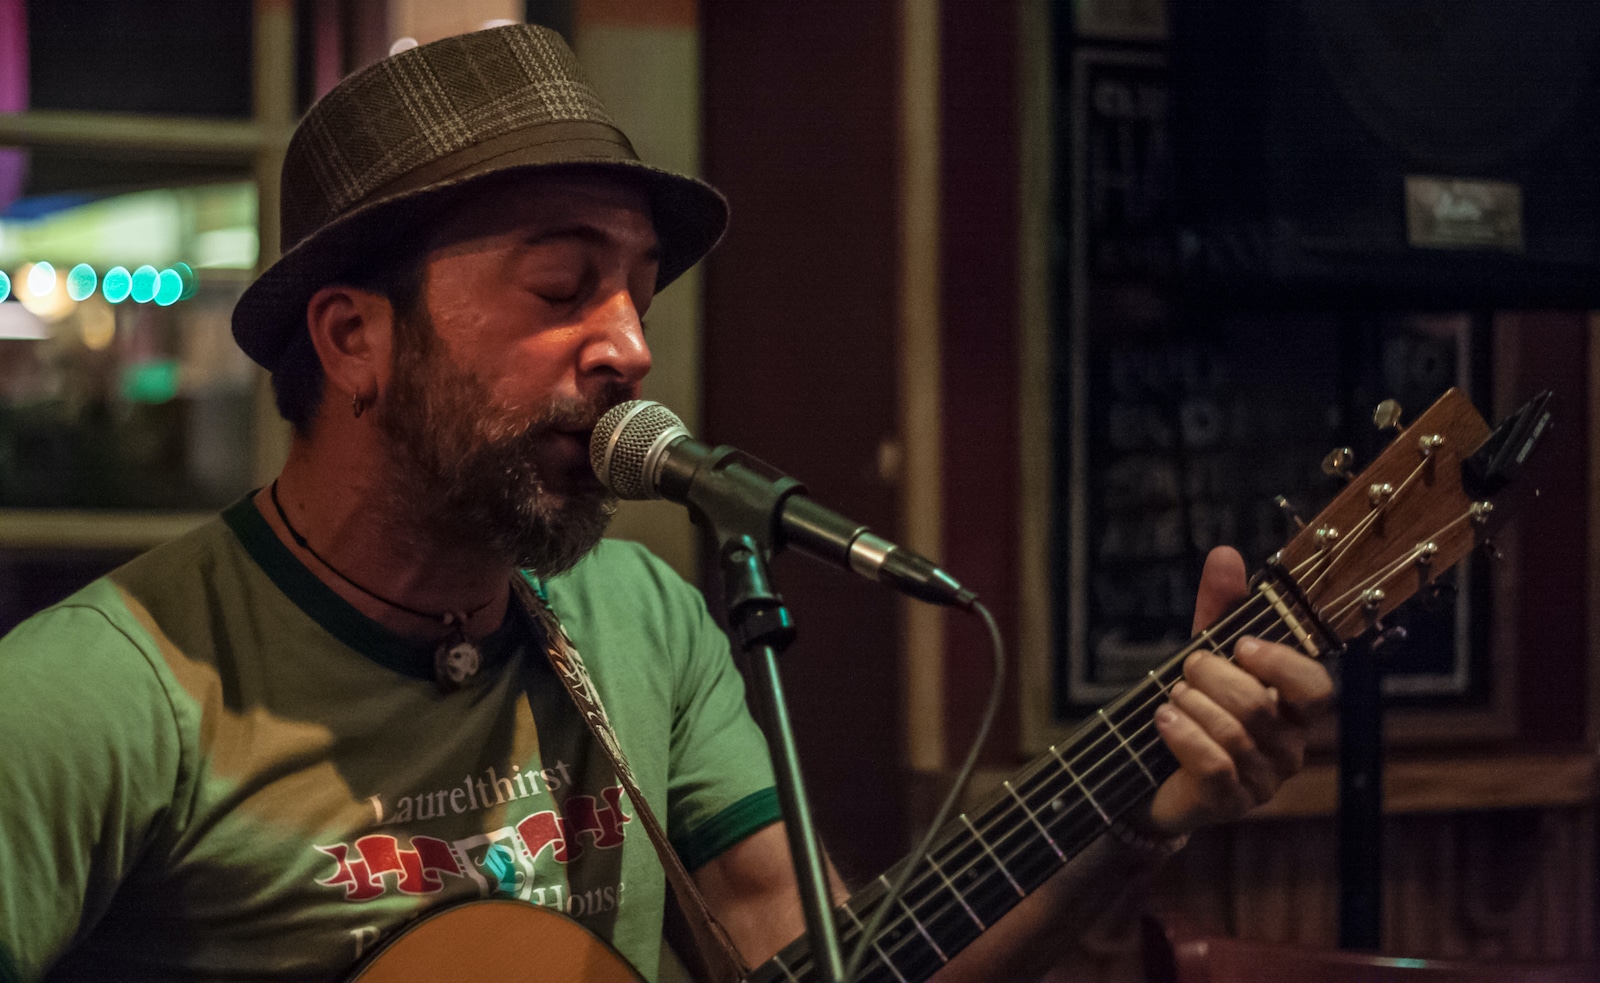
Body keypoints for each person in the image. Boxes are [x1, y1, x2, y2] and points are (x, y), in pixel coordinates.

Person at [0, 24, 1331, 983]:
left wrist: (1130, 831)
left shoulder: (635, 617)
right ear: (355, 340)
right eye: (564, 283)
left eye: (639, 286)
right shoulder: (97, 697)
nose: (631, 345)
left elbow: (816, 959)